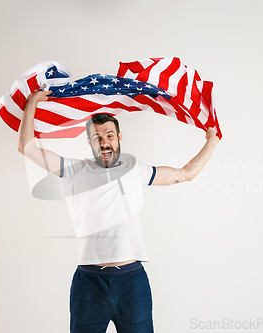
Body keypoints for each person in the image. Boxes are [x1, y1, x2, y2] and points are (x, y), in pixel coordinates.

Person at [17, 89, 220, 333]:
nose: (104, 142)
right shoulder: (74, 169)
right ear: (90, 142)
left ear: (119, 137)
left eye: (109, 135)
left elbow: (185, 173)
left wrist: (212, 141)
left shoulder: (137, 170)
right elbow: (26, 147)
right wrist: (32, 103)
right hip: (89, 285)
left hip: (132, 284)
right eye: (97, 138)